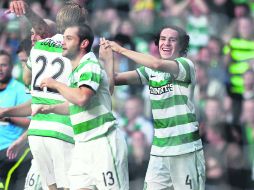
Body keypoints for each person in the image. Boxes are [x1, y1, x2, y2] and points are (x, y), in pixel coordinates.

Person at [101, 25, 205, 189]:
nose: (166, 43)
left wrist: (121, 50)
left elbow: (156, 64)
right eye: (163, 39)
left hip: (185, 149)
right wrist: (108, 59)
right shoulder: (150, 72)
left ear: (182, 46)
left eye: (172, 40)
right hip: (159, 150)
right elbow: (114, 80)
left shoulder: (185, 65)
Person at [1, 1, 88, 189]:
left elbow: (26, 77)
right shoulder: (79, 51)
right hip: (62, 130)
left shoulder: (38, 47)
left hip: (37, 133)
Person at [33, 23, 129, 190]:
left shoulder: (89, 65)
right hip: (82, 146)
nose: (63, 42)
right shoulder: (75, 70)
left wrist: (55, 84)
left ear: (83, 43)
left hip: (103, 142)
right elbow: (76, 105)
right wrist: (50, 108)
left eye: (69, 38)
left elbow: (82, 98)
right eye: (63, 38)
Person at [0, 50, 32, 190]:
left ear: (11, 67)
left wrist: (7, 117)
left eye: (3, 65)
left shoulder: (20, 89)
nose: (0, 69)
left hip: (9, 151)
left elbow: (32, 122)